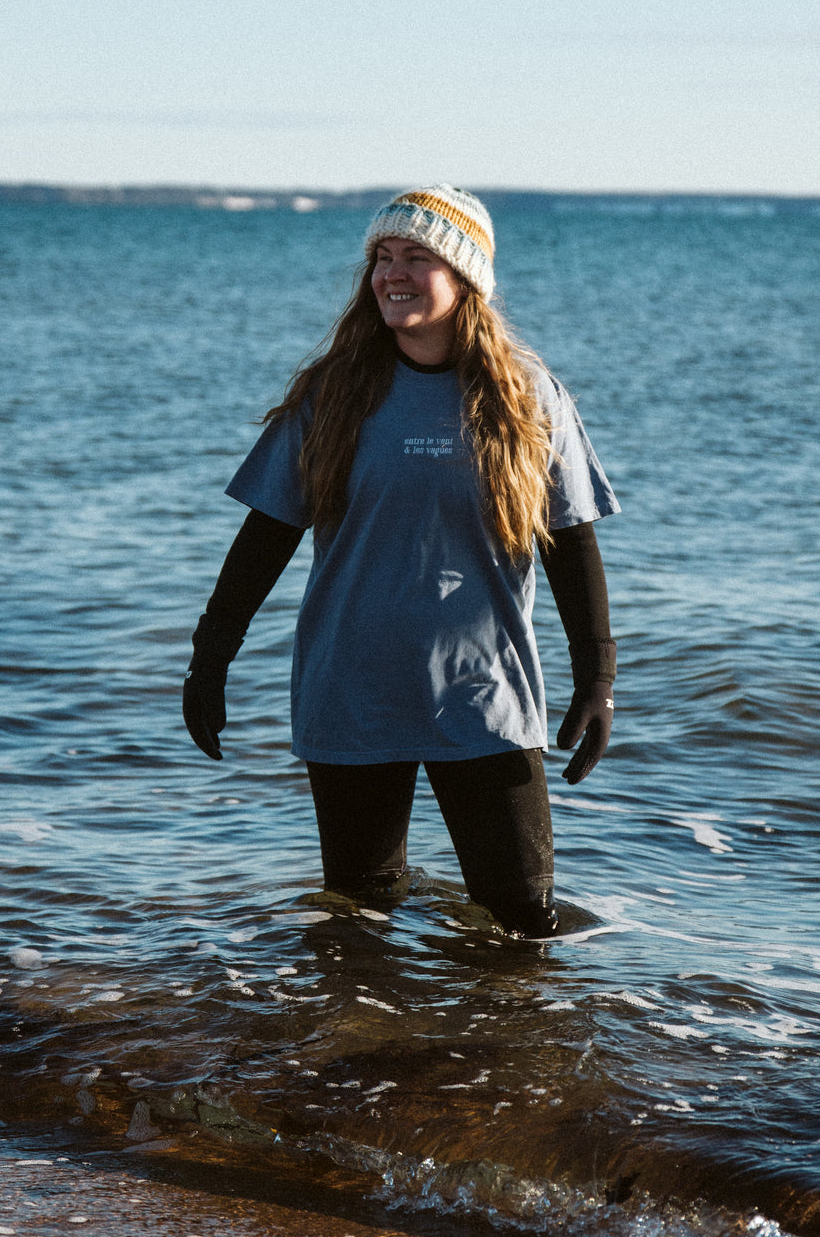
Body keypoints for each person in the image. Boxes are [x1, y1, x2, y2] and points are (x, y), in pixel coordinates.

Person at [183, 186, 620, 937]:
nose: (393, 273)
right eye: (383, 257)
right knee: (359, 923)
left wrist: (598, 680)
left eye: (417, 257)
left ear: (466, 277)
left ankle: (490, 1025)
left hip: (483, 695)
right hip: (352, 690)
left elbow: (571, 543)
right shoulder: (334, 394)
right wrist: (210, 659)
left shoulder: (527, 398)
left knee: (524, 925)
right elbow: (265, 538)